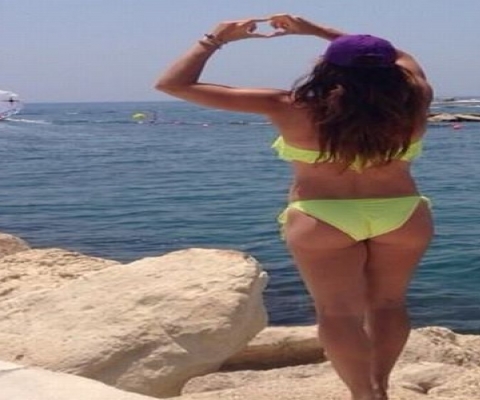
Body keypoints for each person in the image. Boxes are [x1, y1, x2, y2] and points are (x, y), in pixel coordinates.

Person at [155, 14, 434, 400]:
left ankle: (363, 395)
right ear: (389, 69)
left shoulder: (288, 105)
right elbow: (398, 54)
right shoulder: (416, 101)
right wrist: (318, 30)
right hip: (400, 214)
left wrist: (214, 39)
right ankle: (381, 386)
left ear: (326, 67)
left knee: (337, 312)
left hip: (322, 217)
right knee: (388, 303)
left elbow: (172, 84)